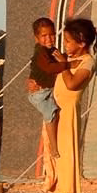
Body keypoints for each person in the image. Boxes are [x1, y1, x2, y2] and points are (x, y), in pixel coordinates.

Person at [41, 17, 97, 193]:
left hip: (68, 114)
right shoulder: (68, 58)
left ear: (82, 42)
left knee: (68, 158)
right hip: (53, 112)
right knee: (52, 156)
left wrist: (63, 65)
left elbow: (73, 84)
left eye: (68, 41)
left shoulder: (87, 62)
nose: (65, 45)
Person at [27, 17, 69, 159]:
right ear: (36, 38)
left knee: (56, 114)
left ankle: (56, 144)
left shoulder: (50, 51)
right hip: (39, 93)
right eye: (44, 36)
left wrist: (66, 58)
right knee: (51, 114)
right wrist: (67, 65)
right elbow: (50, 68)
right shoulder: (40, 52)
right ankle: (54, 148)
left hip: (46, 90)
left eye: (52, 35)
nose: (49, 39)